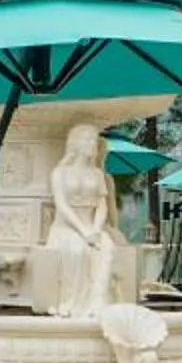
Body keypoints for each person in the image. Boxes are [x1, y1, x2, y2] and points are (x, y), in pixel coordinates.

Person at [44, 122, 122, 315]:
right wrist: (84, 231)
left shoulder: (97, 174)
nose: (93, 145)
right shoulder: (59, 173)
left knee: (107, 248)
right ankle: (72, 302)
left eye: (94, 141)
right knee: (78, 251)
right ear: (76, 144)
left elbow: (102, 205)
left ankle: (98, 302)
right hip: (67, 228)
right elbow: (62, 206)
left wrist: (95, 229)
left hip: (92, 227)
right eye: (88, 140)